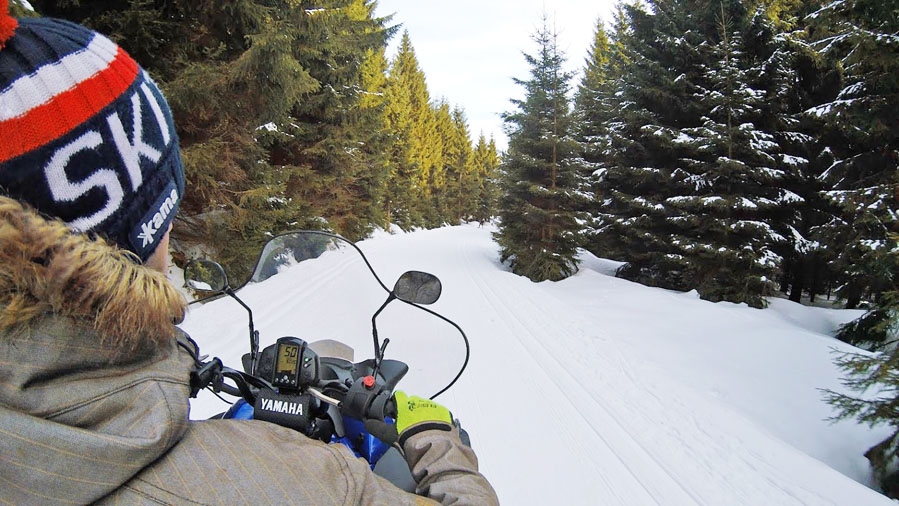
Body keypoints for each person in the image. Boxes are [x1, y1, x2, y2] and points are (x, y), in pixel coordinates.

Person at [0, 3, 499, 505]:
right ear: (141, 234)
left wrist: (184, 365)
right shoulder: (296, 481)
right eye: (167, 216)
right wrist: (435, 437)